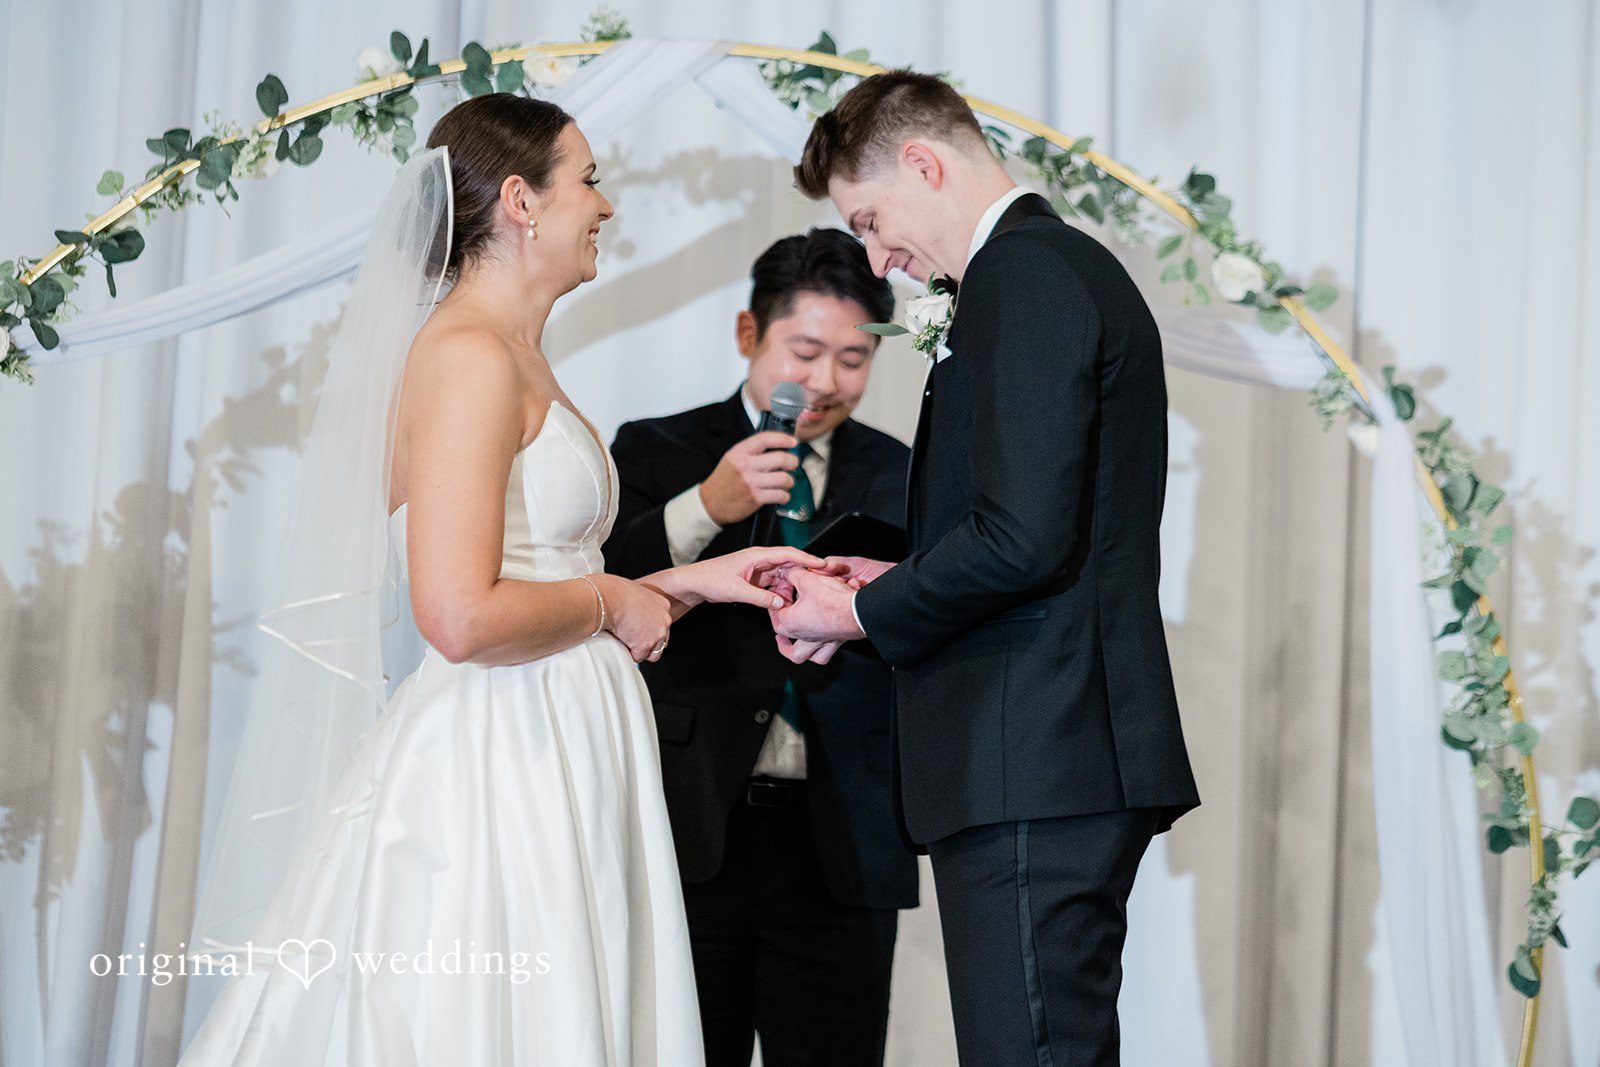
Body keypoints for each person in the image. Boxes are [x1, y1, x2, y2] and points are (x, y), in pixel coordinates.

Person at [178, 93, 831, 1065]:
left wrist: (704, 578)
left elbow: (546, 563)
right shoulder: (470, 355)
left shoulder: (515, 352)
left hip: (558, 726)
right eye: (590, 180)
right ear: (521, 201)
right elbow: (457, 611)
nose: (605, 207)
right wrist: (614, 600)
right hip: (502, 750)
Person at [770, 71, 1202, 1065]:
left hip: (1033, 748)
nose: (880, 257)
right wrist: (880, 581)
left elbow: (1022, 536)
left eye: (872, 218)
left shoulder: (1028, 275)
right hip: (1042, 746)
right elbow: (1037, 524)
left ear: (925, 163)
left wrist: (856, 617)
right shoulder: (1040, 272)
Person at [603, 228, 917, 1066]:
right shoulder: (653, 447)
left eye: (853, 359)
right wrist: (705, 503)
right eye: (804, 350)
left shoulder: (901, 471)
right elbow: (602, 592)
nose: (824, 382)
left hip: (841, 833)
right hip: (694, 821)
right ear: (750, 335)